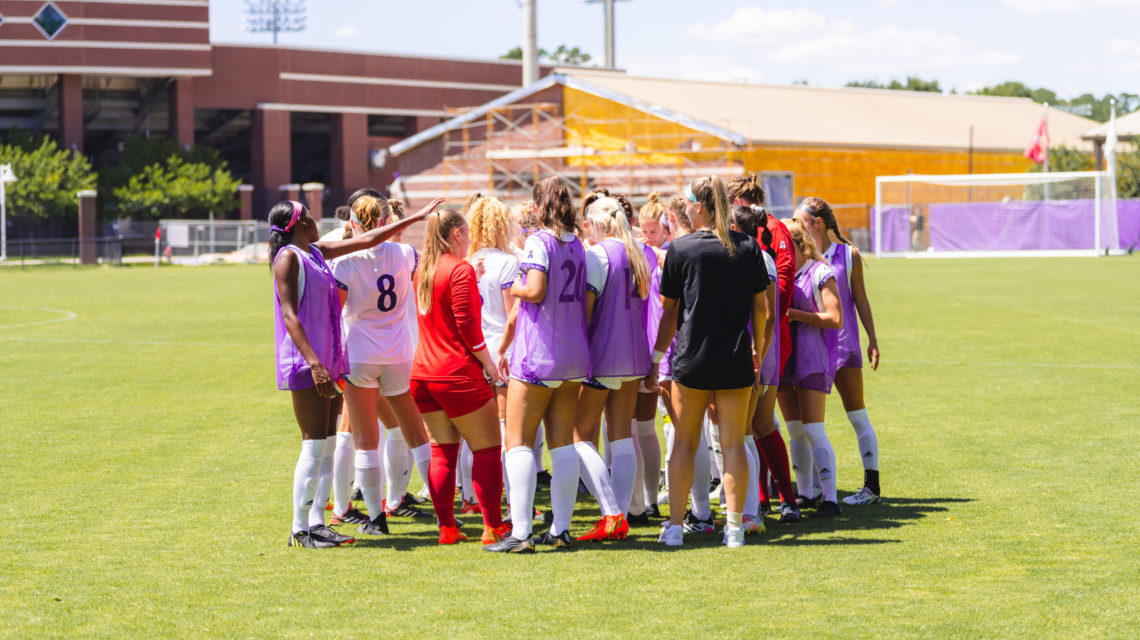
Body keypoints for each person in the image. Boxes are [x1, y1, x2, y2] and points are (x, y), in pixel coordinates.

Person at [269, 198, 432, 548]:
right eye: (308, 216)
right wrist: (314, 363)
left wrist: (413, 219)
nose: (315, 220)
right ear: (297, 225)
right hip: (308, 363)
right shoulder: (288, 257)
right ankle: (300, 528)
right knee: (313, 445)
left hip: (329, 361)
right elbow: (289, 315)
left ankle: (317, 521)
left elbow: (367, 241)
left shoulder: (313, 251)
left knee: (327, 446)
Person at [647, 176, 772, 549]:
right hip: (734, 358)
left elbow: (669, 313)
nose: (683, 209)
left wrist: (655, 357)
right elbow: (760, 308)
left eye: (686, 203)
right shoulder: (747, 247)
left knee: (684, 444)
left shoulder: (680, 250)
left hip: (691, 360)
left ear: (698, 207)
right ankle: (733, 527)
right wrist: (758, 351)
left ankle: (673, 528)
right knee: (733, 444)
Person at [329, 195, 444, 538]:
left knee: (365, 439)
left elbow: (336, 317)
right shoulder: (405, 254)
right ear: (385, 221)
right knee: (417, 434)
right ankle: (443, 513)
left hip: (361, 354)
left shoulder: (345, 262)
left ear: (353, 224)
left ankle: (376, 518)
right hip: (399, 353)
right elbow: (433, 275)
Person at [485, 176, 589, 553]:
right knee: (562, 445)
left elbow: (535, 289)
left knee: (518, 442)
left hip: (540, 352)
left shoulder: (538, 241)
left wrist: (511, 285)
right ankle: (560, 530)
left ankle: (522, 533)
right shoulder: (577, 243)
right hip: (574, 353)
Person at [409, 208, 513, 545]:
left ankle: (447, 528)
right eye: (466, 234)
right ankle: (493, 526)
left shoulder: (423, 270)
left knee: (442, 450)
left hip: (423, 372)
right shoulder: (459, 269)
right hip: (455, 371)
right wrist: (490, 364)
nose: (469, 240)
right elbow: (469, 328)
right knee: (487, 449)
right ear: (456, 235)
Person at [571, 194, 653, 541]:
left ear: (592, 224)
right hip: (634, 355)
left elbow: (585, 312)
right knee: (621, 435)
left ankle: (612, 512)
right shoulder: (636, 253)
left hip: (602, 355)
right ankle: (619, 515)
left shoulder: (597, 254)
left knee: (577, 435)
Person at [794, 197, 882, 505]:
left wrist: (872, 339)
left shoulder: (848, 254)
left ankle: (872, 487)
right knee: (811, 423)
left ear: (816, 224)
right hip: (812, 350)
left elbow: (861, 299)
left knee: (856, 414)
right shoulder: (801, 256)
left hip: (843, 346)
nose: (794, 227)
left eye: (799, 221)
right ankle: (816, 486)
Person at [729, 205, 801, 527]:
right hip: (763, 351)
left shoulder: (752, 257)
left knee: (750, 429)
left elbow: (768, 314)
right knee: (761, 426)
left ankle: (757, 507)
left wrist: (759, 353)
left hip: (756, 350)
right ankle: (772, 501)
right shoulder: (763, 257)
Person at [779, 218, 844, 517]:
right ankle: (804, 493)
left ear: (798, 242)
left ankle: (830, 498)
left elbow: (835, 318)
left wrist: (795, 315)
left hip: (812, 360)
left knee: (814, 429)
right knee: (794, 431)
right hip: (785, 360)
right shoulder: (785, 274)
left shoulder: (819, 272)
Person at [464, 195, 520, 512]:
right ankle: (512, 501)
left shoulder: (466, 263)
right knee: (507, 432)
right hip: (503, 352)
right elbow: (513, 314)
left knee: (477, 433)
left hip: (474, 351)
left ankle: (474, 498)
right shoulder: (508, 262)